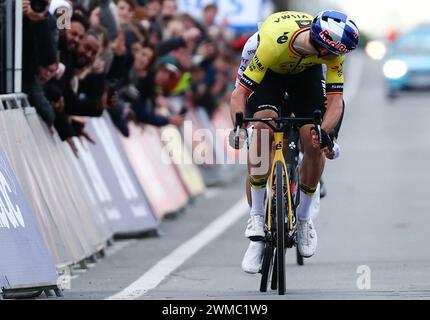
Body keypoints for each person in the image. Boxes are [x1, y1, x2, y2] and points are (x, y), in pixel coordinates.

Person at [230, 10, 359, 273]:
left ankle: (303, 220)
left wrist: (324, 132)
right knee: (264, 127)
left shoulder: (333, 52)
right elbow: (239, 94)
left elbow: (335, 101)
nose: (338, 58)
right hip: (269, 70)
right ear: (322, 47)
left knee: (312, 140)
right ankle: (255, 219)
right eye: (334, 53)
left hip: (306, 74)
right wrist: (240, 128)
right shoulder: (270, 45)